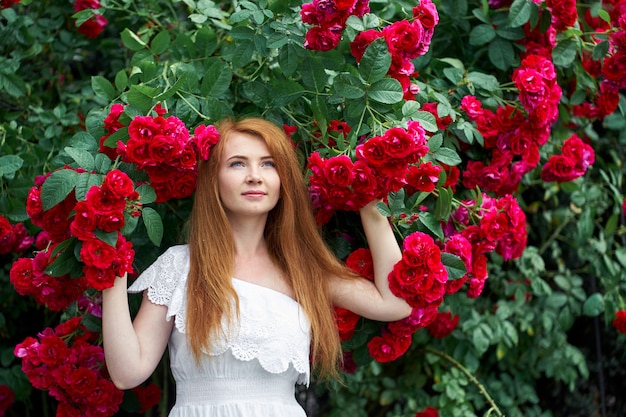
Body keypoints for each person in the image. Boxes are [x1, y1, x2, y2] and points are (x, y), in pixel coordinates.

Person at [102, 117, 412, 416]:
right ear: (213, 179)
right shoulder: (180, 266)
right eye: (237, 163)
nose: (255, 175)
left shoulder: (303, 270)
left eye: (269, 163)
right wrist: (108, 264)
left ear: (282, 180)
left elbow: (396, 303)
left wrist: (370, 203)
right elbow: (127, 374)